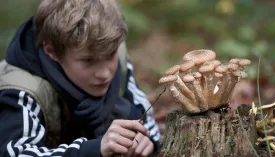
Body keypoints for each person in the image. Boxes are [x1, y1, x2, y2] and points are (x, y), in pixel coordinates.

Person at [0, 0, 160, 156]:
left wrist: (147, 142)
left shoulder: (116, 54)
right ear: (51, 51)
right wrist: (93, 149)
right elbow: (17, 152)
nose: (105, 74)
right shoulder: (22, 88)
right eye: (88, 61)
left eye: (111, 55)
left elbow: (147, 120)